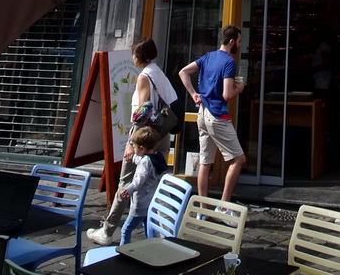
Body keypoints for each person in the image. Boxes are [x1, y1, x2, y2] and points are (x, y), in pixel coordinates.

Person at [88, 38, 178, 246]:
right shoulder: (159, 73)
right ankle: (157, 228)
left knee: (126, 181)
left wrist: (131, 142)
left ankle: (108, 231)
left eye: (134, 53)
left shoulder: (144, 77)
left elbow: (142, 112)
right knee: (153, 181)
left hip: (145, 138)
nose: (132, 57)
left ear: (140, 56)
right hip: (162, 136)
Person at [179, 24, 246, 204]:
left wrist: (194, 94)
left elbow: (183, 72)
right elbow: (227, 94)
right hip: (217, 115)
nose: (240, 45)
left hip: (202, 113)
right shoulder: (229, 62)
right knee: (238, 159)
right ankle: (223, 206)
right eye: (239, 41)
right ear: (232, 42)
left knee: (205, 161)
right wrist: (239, 88)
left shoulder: (208, 57)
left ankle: (202, 207)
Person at [119, 126, 168, 243]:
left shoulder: (145, 162)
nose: (134, 149)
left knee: (125, 229)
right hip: (150, 200)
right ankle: (153, 246)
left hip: (140, 203)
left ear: (141, 148)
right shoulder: (156, 156)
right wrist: (133, 157)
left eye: (134, 147)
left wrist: (128, 189)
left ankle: (122, 252)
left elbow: (139, 179)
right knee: (149, 228)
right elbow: (141, 160)